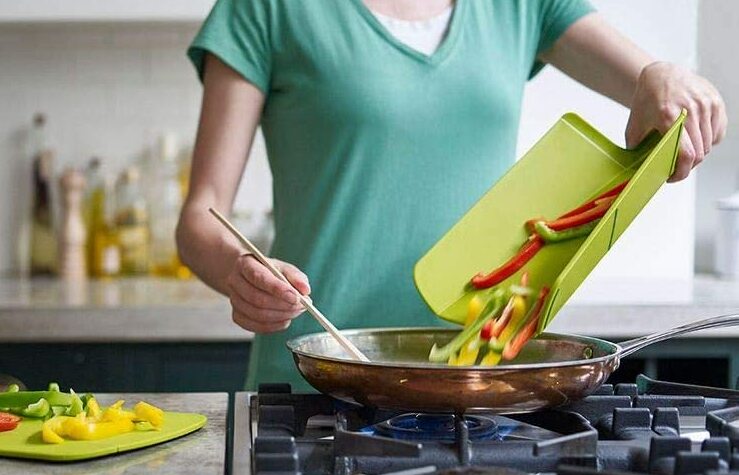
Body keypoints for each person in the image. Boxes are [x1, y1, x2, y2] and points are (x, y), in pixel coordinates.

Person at [177, 0, 727, 390]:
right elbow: (201, 218)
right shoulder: (263, 8)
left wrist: (663, 77)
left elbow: (650, 87)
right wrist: (239, 271)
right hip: (318, 379)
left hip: (479, 383)